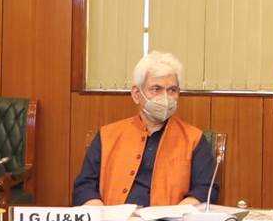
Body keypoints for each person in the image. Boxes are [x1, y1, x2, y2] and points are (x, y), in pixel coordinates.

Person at [73, 52, 217, 207]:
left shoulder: (194, 139)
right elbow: (84, 187)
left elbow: (206, 189)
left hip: (170, 220)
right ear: (136, 94)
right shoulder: (107, 135)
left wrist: (180, 212)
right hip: (113, 220)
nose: (166, 97)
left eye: (172, 90)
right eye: (156, 89)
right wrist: (100, 212)